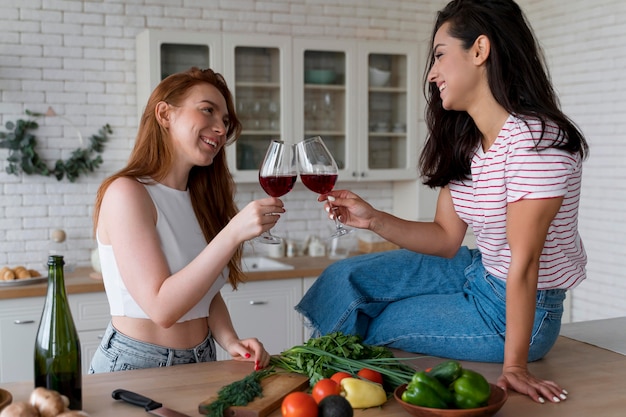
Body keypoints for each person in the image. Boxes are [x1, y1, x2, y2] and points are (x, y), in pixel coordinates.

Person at [296, 0, 588, 405]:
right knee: (345, 277)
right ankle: (311, 378)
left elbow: (525, 262)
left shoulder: (537, 143)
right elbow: (445, 237)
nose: (431, 73)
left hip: (515, 310)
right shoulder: (469, 139)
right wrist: (373, 219)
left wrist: (515, 367)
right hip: (474, 268)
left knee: (375, 324)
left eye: (438, 55)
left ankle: (318, 393)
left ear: (480, 50)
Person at [90, 67, 283, 373]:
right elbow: (162, 309)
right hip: (138, 364)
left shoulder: (200, 199)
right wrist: (233, 233)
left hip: (202, 356)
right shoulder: (127, 193)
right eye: (208, 110)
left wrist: (230, 340)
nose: (220, 128)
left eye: (225, 121)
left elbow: (203, 288)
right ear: (165, 114)